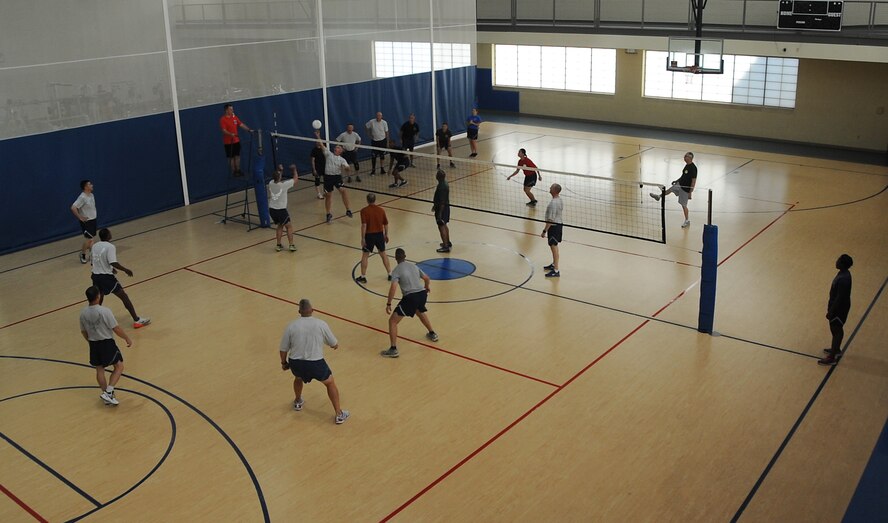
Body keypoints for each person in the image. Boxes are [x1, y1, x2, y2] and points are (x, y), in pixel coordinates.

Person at [279, 299, 349, 424]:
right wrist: (334, 346)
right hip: (316, 363)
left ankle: (298, 401)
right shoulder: (321, 324)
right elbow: (334, 343)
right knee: (330, 383)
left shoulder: (291, 326)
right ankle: (339, 414)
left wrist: (284, 363)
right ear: (312, 310)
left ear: (299, 311)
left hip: (296, 363)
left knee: (298, 378)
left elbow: (283, 349)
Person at [381, 248, 439, 358]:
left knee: (392, 321)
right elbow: (426, 278)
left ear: (396, 258)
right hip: (422, 295)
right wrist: (427, 287)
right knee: (419, 311)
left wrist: (389, 303)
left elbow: (393, 287)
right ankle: (432, 333)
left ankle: (393, 349)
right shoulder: (413, 266)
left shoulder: (396, 270)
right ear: (405, 256)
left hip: (410, 297)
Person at [80, 285, 132, 406]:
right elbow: (116, 328)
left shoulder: (83, 313)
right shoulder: (104, 311)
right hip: (106, 343)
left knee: (99, 369)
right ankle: (108, 392)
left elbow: (83, 331)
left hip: (93, 344)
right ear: (98, 296)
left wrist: (90, 341)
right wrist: (127, 338)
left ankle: (106, 395)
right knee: (119, 366)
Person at [90, 228, 151, 328]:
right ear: (108, 236)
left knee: (99, 298)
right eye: (110, 232)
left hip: (95, 276)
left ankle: (95, 320)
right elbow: (113, 262)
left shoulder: (95, 245)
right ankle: (137, 320)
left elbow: (94, 261)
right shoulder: (110, 246)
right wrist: (125, 269)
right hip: (106, 278)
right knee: (124, 296)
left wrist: (111, 269)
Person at [818, 254, 853, 366]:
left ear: (842, 264)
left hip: (839, 308)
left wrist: (831, 311)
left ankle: (832, 357)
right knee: (836, 329)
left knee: (836, 330)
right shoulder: (843, 274)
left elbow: (840, 298)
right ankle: (836, 349)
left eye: (838, 260)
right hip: (838, 306)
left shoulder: (844, 279)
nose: (836, 261)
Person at [650, 151, 697, 229]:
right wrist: (677, 181)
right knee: (669, 190)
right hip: (680, 184)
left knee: (684, 205)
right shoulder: (687, 166)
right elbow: (683, 176)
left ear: (690, 158)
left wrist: (690, 192)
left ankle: (687, 220)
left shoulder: (693, 168)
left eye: (686, 156)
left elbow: (693, 181)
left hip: (685, 189)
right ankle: (659, 196)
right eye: (684, 156)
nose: (684, 157)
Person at [315, 130, 354, 223]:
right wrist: (318, 136)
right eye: (336, 147)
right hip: (328, 178)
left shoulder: (342, 160)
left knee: (343, 191)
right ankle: (328, 214)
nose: (336, 148)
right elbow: (322, 145)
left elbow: (347, 168)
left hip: (337, 177)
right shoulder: (328, 154)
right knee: (328, 195)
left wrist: (347, 169)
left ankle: (348, 210)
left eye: (338, 147)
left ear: (341, 151)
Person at [357, 193, 392, 283]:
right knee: (383, 254)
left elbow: (364, 225)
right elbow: (386, 224)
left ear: (367, 200)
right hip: (380, 234)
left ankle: (363, 276)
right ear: (375, 200)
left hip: (369, 235)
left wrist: (363, 238)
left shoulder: (364, 211)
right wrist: (386, 234)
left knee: (365, 255)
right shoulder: (381, 210)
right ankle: (390, 274)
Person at [268, 164, 297, 252]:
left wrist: (279, 169)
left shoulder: (271, 183)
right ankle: (291, 245)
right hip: (281, 210)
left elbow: (277, 176)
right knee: (289, 227)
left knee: (280, 225)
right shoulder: (283, 185)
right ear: (280, 177)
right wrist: (294, 170)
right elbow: (296, 179)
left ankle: (278, 245)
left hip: (272, 209)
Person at [220, 103, 252, 176]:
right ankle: (233, 171)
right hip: (228, 142)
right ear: (226, 110)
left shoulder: (234, 117)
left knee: (237, 156)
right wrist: (230, 134)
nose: (232, 110)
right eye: (231, 109)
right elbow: (223, 130)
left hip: (236, 141)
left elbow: (241, 124)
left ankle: (238, 170)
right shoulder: (223, 119)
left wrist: (249, 130)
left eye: (232, 109)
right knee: (231, 157)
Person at [71, 179, 97, 263]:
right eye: (90, 184)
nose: (92, 185)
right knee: (89, 239)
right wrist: (80, 217)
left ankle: (92, 255)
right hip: (87, 222)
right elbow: (73, 207)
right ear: (86, 187)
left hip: (93, 220)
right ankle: (82, 254)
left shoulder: (91, 195)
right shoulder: (82, 197)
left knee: (92, 239)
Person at [541, 183, 563, 278]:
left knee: (554, 247)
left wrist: (544, 231)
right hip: (557, 225)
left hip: (554, 227)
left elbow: (550, 220)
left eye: (551, 187)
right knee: (553, 246)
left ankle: (556, 270)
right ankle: (554, 264)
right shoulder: (559, 199)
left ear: (554, 190)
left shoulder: (554, 203)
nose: (549, 188)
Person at [433, 169, 452, 253]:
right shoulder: (444, 183)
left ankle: (445, 246)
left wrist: (439, 213)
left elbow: (442, 202)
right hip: (445, 207)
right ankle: (447, 242)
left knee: (441, 226)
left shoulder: (441, 187)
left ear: (439, 177)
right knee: (444, 225)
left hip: (442, 209)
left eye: (437, 174)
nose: (436, 175)